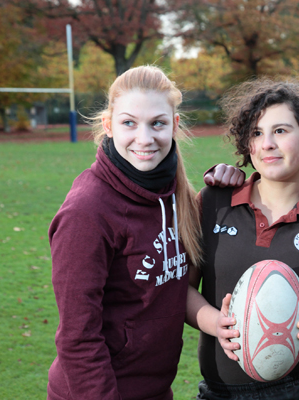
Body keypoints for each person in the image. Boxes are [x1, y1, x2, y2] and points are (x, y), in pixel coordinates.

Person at [186, 78, 299, 400]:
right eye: (257, 132)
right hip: (220, 392)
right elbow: (180, 289)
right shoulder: (212, 203)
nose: (267, 144)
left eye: (280, 131)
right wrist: (215, 322)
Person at [47, 66, 202, 400]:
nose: (144, 139)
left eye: (157, 123)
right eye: (129, 123)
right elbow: (78, 339)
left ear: (174, 125)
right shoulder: (86, 211)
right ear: (108, 126)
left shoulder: (179, 196)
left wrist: (226, 183)